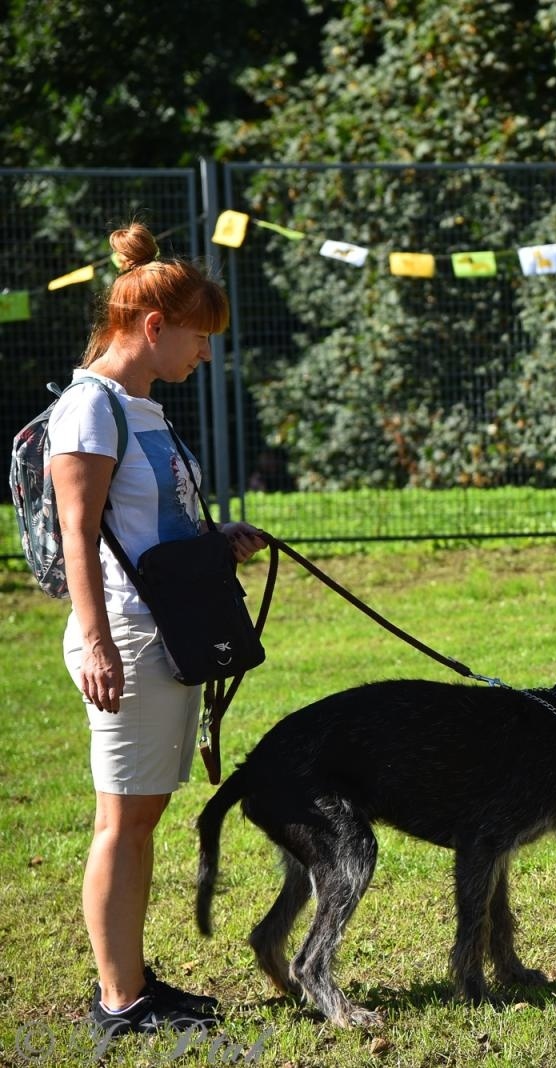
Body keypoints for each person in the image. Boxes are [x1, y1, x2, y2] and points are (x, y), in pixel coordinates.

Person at [49, 222, 268, 1040]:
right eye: (199, 338)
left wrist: (215, 540)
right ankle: (120, 1003)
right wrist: (97, 643)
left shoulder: (141, 408)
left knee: (141, 818)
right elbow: (77, 536)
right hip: (126, 638)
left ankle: (132, 981)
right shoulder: (89, 410)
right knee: (121, 822)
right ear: (152, 327)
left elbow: (149, 527)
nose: (205, 354)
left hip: (165, 633)